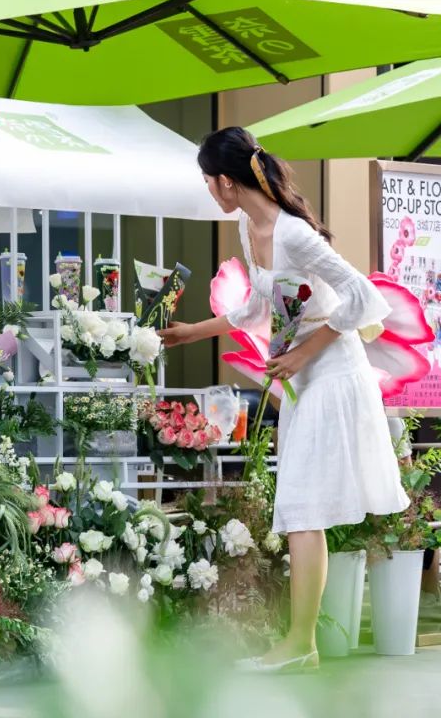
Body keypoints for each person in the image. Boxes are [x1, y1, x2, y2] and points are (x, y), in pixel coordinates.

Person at [160, 127, 409, 672]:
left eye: (208, 182)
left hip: (334, 375)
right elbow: (256, 309)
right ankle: (303, 644)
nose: (209, 191)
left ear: (226, 182)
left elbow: (363, 298)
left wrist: (302, 353)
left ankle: (301, 644)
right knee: (302, 509)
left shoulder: (294, 234)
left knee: (302, 508)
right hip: (306, 381)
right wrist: (192, 332)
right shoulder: (254, 230)